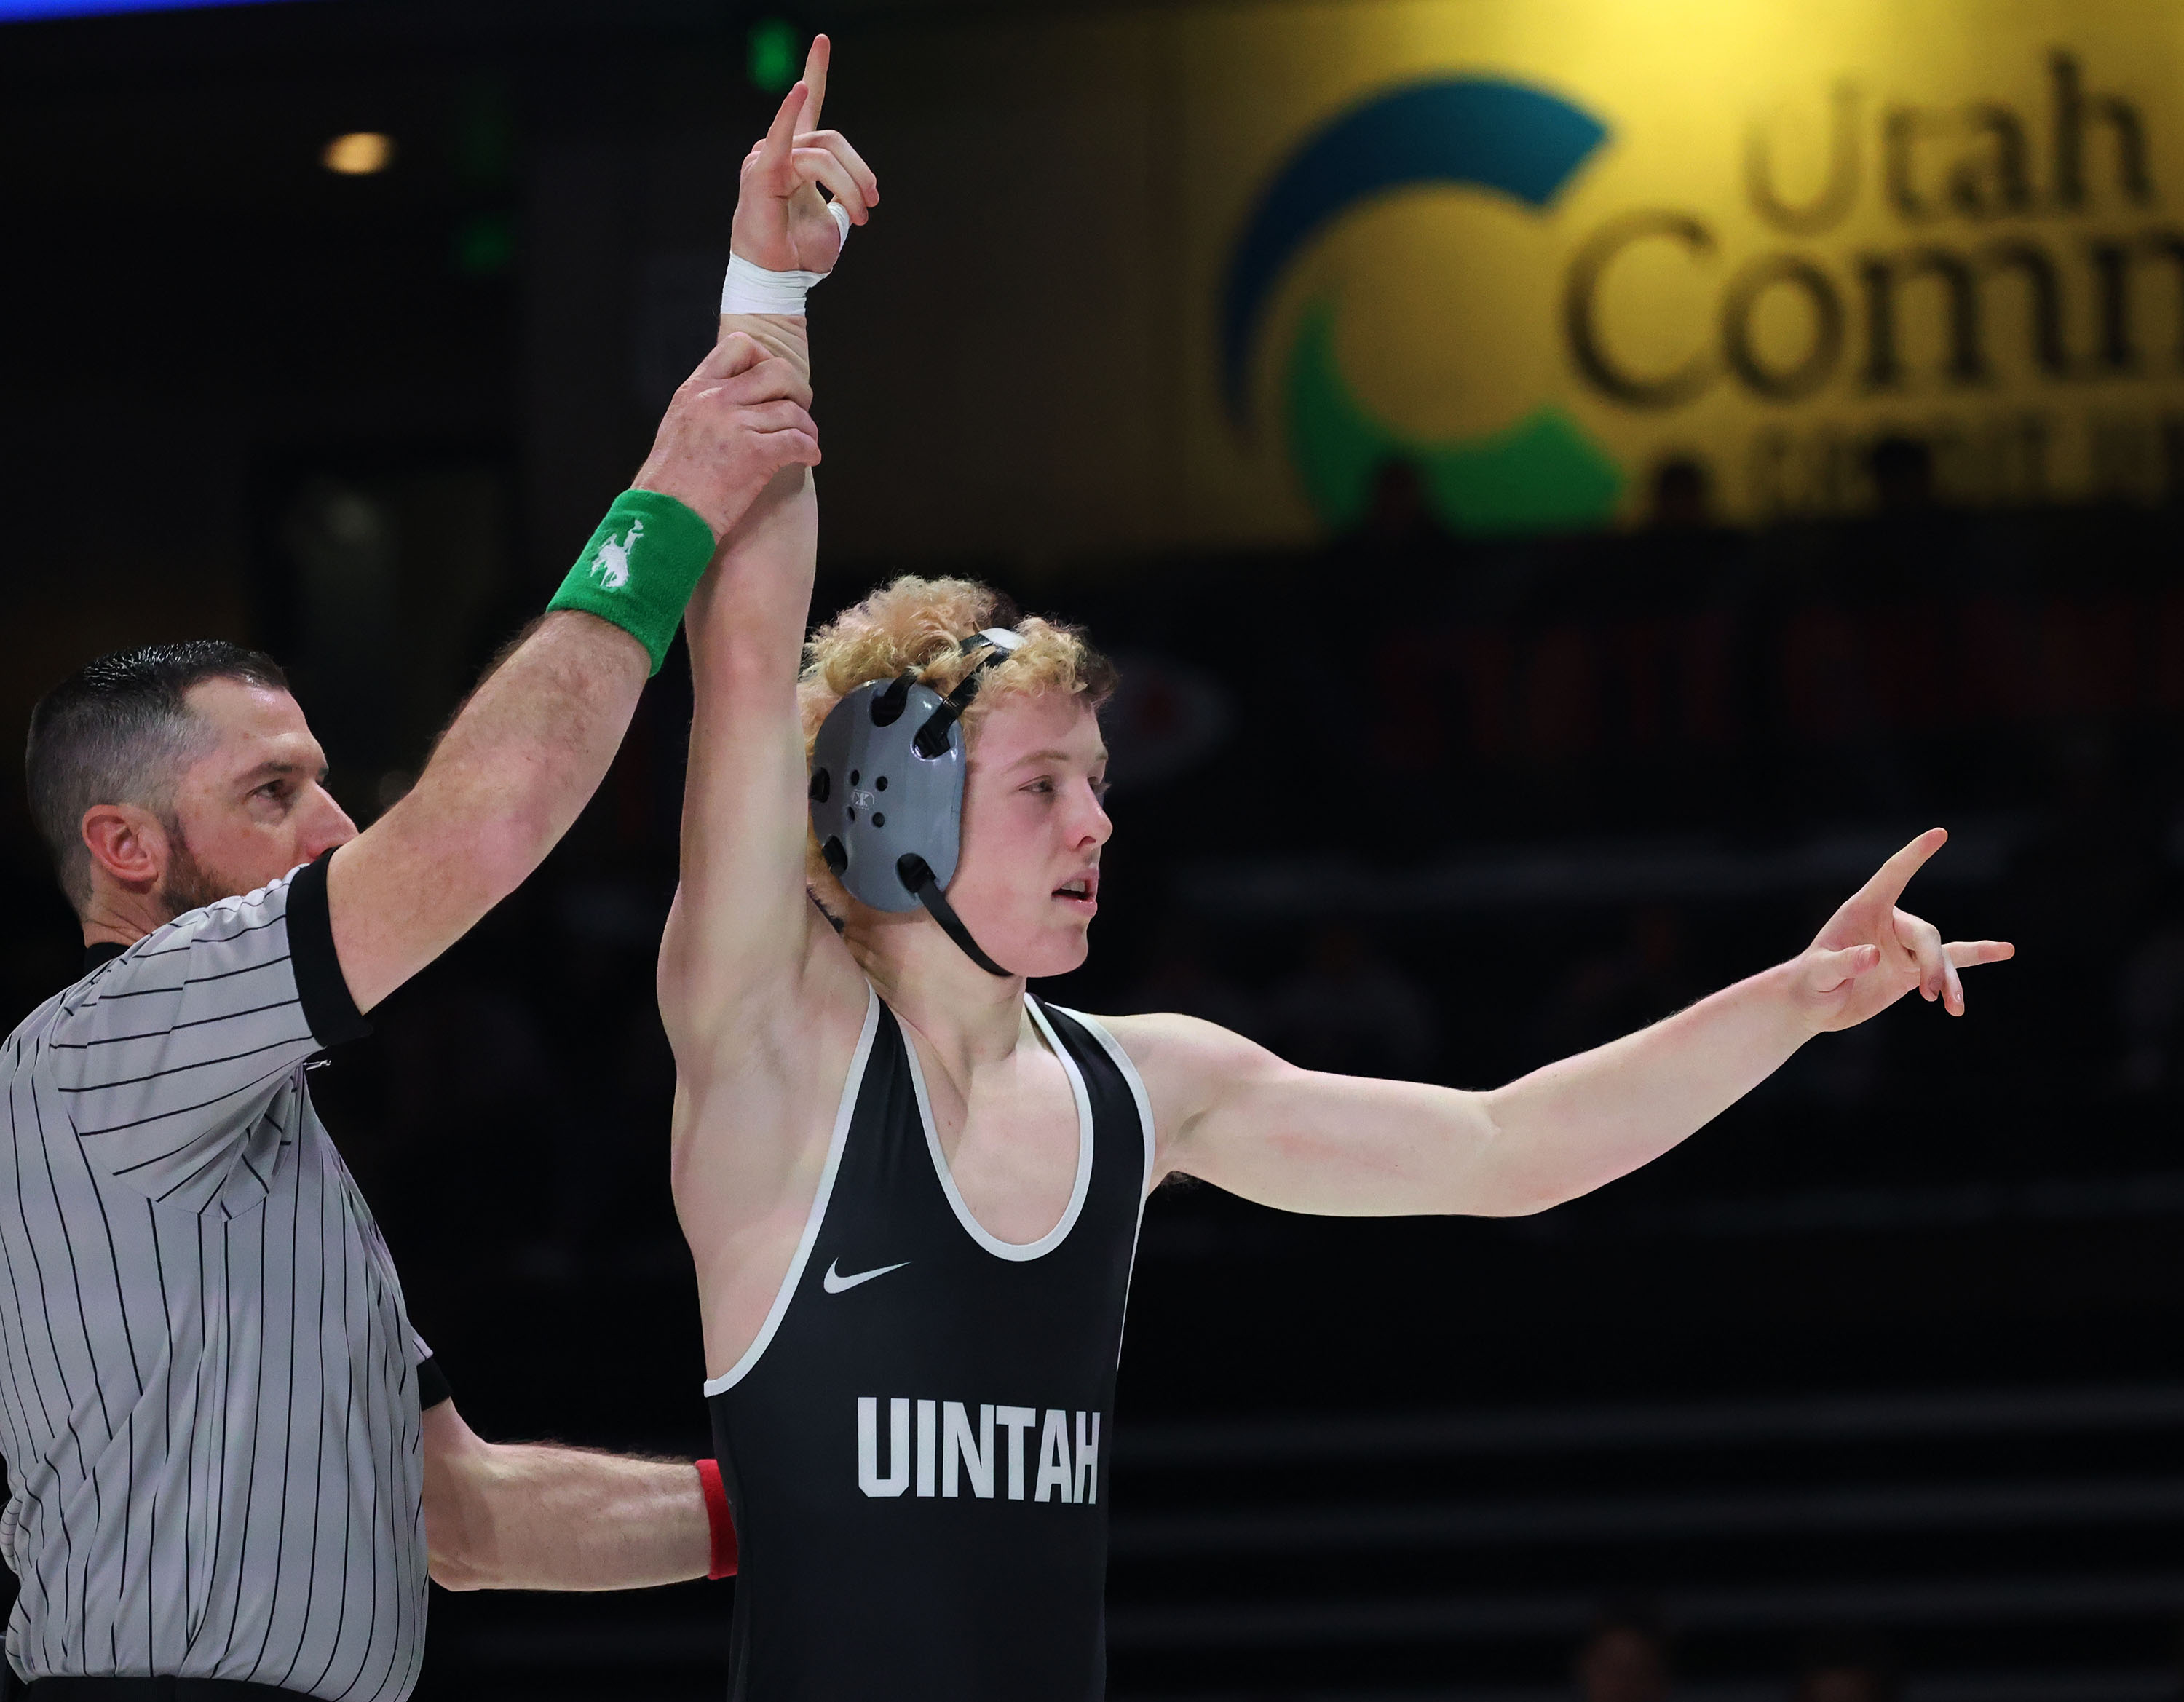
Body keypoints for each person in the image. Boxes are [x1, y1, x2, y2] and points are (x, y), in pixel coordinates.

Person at [660, 41, 2013, 1701]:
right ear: (889, 812)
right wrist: (764, 291)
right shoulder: (769, 1052)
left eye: (1097, 782)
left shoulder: (1143, 1089)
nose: (1100, 824)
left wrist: (1800, 1000)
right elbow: (743, 661)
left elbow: (1510, 1146)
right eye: (1045, 788)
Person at [0, 322, 815, 1696]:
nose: (335, 825)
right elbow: (483, 828)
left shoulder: (272, 1150)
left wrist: (800, 1512)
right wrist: (672, 493)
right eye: (274, 792)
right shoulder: (91, 1053)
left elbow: (466, 1518)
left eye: (325, 779)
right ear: (125, 848)